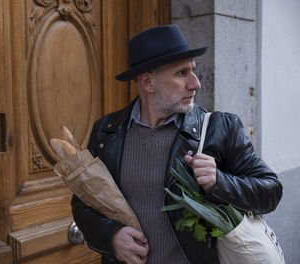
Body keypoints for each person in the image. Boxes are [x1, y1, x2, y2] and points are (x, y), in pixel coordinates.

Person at [71, 24, 283, 264]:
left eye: (194, 70)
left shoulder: (219, 128)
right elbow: (83, 203)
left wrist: (220, 182)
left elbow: (271, 191)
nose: (196, 83)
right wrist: (110, 236)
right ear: (148, 82)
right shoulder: (107, 132)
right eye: (182, 73)